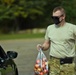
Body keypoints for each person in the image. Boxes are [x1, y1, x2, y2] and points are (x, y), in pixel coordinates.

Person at [37, 6, 76, 75]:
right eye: (53, 17)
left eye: (56, 17)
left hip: (68, 65)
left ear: (63, 16)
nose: (54, 19)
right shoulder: (50, 28)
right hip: (54, 64)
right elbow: (47, 44)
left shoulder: (73, 28)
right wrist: (42, 47)